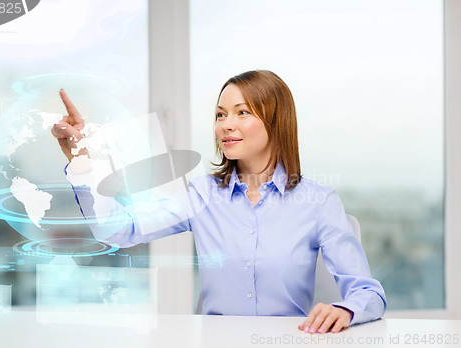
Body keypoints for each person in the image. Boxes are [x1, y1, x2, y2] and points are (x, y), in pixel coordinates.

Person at [52, 70, 386, 334]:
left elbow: (368, 293)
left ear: (275, 120)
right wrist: (82, 161)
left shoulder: (318, 202)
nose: (226, 125)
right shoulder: (201, 195)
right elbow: (118, 230)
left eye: (242, 113)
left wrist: (344, 309)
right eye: (220, 114)